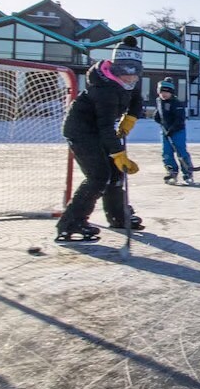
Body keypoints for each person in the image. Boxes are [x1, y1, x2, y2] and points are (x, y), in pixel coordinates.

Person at [55, 35, 143, 241]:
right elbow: (105, 128)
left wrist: (130, 118)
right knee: (98, 176)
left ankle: (118, 216)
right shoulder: (104, 89)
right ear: (115, 68)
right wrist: (119, 154)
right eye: (126, 72)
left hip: (100, 130)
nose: (131, 77)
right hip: (81, 131)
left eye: (135, 72)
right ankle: (71, 223)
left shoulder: (130, 82)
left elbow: (137, 98)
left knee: (115, 174)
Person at [154, 76, 196, 185]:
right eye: (162, 92)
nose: (164, 94)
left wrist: (172, 129)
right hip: (165, 131)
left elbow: (180, 120)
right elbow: (160, 113)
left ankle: (187, 173)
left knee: (180, 151)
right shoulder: (159, 101)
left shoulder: (176, 103)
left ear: (172, 93)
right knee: (166, 153)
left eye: (167, 92)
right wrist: (157, 117)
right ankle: (172, 172)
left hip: (178, 131)